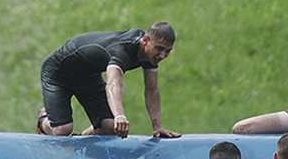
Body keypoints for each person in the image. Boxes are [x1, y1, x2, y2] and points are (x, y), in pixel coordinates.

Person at [33, 22, 182, 138]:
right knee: (62, 131)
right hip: (58, 72)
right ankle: (43, 120)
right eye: (159, 49)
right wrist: (120, 115)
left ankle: (79, 140)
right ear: (145, 40)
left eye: (167, 51)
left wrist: (157, 127)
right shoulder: (122, 50)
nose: (162, 56)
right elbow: (113, 84)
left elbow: (152, 89)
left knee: (110, 128)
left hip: (88, 76)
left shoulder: (150, 56)